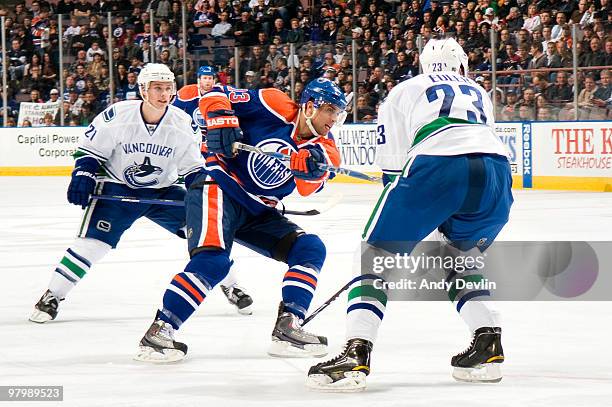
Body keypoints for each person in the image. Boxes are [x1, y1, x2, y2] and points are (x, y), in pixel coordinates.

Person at [307, 38, 513, 391]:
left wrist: (403, 219)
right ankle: (487, 342)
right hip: (496, 175)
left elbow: (392, 167)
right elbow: (476, 141)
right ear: (461, 65)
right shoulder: (480, 90)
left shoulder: (406, 89)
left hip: (438, 165)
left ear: (423, 64)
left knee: (375, 256)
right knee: (458, 261)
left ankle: (357, 350)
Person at [134, 78, 348, 363]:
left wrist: (308, 167)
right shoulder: (274, 103)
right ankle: (160, 331)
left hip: (258, 209)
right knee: (213, 262)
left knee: (310, 248)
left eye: (338, 113)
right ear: (309, 106)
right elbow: (214, 95)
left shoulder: (326, 147)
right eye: (330, 110)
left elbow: (310, 187)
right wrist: (222, 119)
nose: (333, 119)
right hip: (219, 187)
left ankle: (289, 326)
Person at [29, 64, 205, 323]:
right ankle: (53, 295)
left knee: (207, 233)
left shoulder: (182, 123)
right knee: (92, 244)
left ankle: (231, 286)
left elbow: (192, 168)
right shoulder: (118, 115)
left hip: (163, 191)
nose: (164, 94)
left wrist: (201, 193)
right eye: (157, 88)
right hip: (118, 186)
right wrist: (84, 174)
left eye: (168, 88)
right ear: (143, 89)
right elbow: (91, 150)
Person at [173, 65, 254, 315]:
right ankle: (229, 285)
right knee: (208, 235)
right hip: (183, 165)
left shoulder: (223, 95)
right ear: (198, 79)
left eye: (210, 78)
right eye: (203, 78)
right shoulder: (186, 95)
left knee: (213, 235)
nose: (207, 81)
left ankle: (231, 286)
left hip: (210, 166)